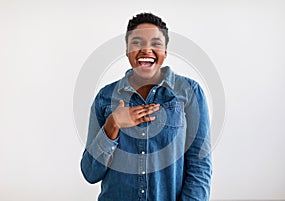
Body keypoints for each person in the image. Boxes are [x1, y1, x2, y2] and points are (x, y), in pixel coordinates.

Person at [80, 12, 212, 201]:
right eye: (137, 42)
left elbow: (200, 168)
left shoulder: (190, 92)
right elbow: (90, 173)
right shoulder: (105, 97)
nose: (146, 50)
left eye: (156, 43)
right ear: (127, 50)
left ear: (165, 52)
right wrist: (112, 125)